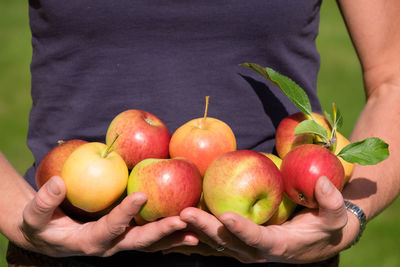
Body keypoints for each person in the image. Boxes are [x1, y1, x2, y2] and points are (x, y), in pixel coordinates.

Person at [1, 0, 399, 266]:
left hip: (286, 243)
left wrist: (348, 218)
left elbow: (391, 79)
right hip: (60, 243)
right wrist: (15, 216)